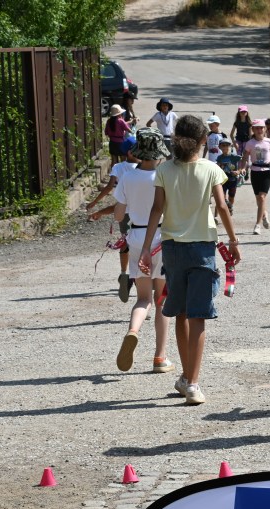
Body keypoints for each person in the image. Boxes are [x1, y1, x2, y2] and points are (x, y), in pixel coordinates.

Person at [139, 115, 242, 406]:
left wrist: (146, 248)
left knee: (181, 314)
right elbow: (222, 206)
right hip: (202, 249)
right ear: (202, 141)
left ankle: (186, 378)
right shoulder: (211, 169)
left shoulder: (164, 170)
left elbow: (156, 209)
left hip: (173, 249)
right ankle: (193, 383)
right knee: (199, 316)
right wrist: (234, 241)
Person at [105, 128, 173, 375]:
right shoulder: (165, 175)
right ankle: (160, 357)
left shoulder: (127, 176)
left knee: (143, 299)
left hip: (136, 237)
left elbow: (118, 215)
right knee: (162, 300)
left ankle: (133, 331)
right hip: (162, 237)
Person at [87, 135, 139, 301]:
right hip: (140, 211)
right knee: (140, 242)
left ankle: (124, 274)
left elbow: (110, 187)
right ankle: (137, 275)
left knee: (125, 242)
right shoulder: (143, 166)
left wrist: (95, 202)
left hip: (123, 211)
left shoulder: (118, 167)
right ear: (129, 152)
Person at [240, 118, 270, 235]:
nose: (259, 130)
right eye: (256, 128)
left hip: (266, 171)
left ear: (265, 129)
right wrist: (243, 168)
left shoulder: (269, 142)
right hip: (254, 172)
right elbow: (245, 157)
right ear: (253, 129)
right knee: (259, 198)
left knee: (261, 197)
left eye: (261, 128)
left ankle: (257, 225)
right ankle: (264, 214)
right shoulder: (250, 143)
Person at [214, 138, 243, 216]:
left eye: (227, 145)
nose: (225, 147)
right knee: (222, 197)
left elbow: (244, 161)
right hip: (223, 180)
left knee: (231, 197)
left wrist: (239, 171)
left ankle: (230, 207)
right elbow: (218, 167)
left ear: (230, 146)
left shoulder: (234, 156)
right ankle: (218, 214)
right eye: (223, 145)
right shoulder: (219, 157)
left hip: (233, 180)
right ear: (220, 147)